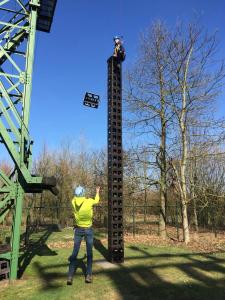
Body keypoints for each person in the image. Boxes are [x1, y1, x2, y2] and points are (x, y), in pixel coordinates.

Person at [67, 185, 100, 285]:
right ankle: (88, 276)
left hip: (78, 230)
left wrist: (79, 194)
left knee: (74, 253)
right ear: (83, 194)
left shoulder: (73, 202)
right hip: (88, 230)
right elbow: (97, 200)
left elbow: (75, 198)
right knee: (89, 253)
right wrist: (97, 191)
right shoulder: (89, 201)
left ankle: (70, 277)